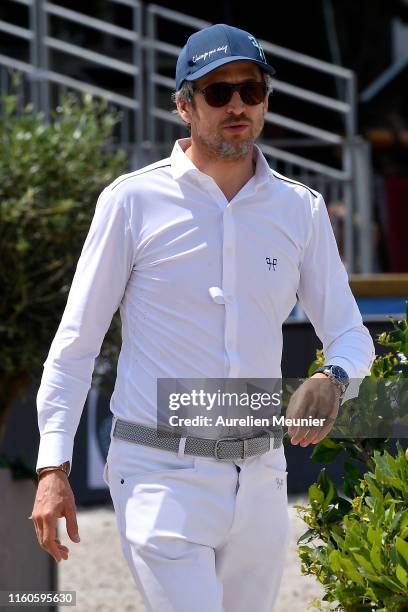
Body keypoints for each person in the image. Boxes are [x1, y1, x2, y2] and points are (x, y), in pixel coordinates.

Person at [30, 23, 375, 612]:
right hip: (157, 470)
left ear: (266, 100)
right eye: (218, 93)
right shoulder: (131, 201)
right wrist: (51, 466)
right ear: (184, 106)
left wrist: (332, 378)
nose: (237, 104)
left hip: (262, 476)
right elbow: (77, 341)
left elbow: (349, 334)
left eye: (251, 89)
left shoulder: (301, 208)